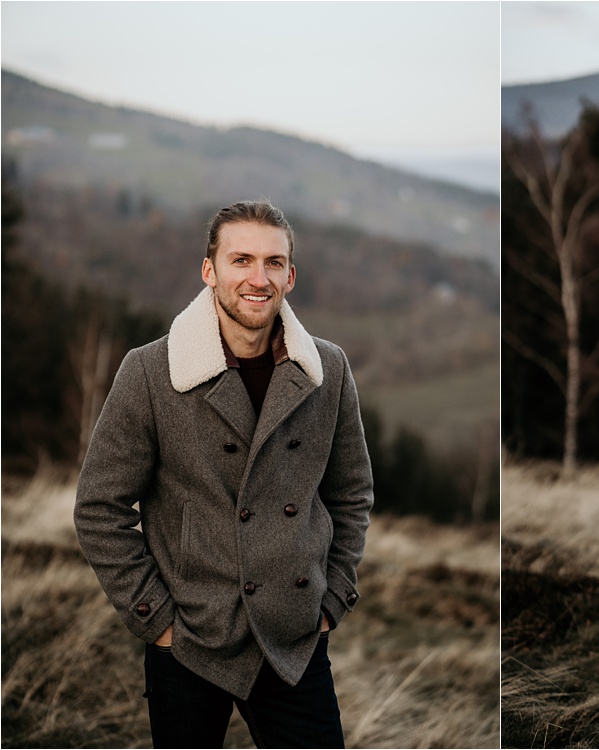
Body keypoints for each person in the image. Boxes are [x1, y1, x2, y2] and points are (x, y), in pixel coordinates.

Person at [74, 200, 374, 748]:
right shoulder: (150, 371)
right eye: (241, 260)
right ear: (209, 270)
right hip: (189, 641)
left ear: (291, 275)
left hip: (294, 640)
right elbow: (99, 508)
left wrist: (333, 600)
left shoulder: (327, 369)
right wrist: (157, 620)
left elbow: (352, 493)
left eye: (274, 263)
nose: (258, 279)